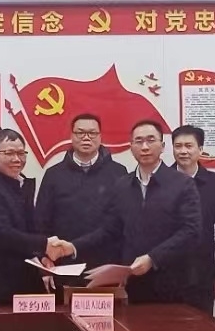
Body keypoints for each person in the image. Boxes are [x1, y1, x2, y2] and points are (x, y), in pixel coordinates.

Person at [70, 120, 204, 306]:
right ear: (131, 147)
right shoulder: (122, 185)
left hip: (175, 283)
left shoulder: (182, 184)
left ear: (162, 146)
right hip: (135, 284)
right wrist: (73, 246)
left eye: (151, 140)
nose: (145, 147)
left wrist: (152, 258)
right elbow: (110, 230)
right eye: (139, 141)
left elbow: (191, 231)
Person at [0, 128, 69, 306]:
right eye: (9, 153)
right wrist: (44, 244)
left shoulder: (22, 186)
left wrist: (42, 257)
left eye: (21, 153)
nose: (17, 159)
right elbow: (1, 235)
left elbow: (28, 229)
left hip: (24, 287)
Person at [34, 113, 127, 292]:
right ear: (71, 136)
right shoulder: (54, 174)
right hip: (63, 267)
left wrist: (123, 268)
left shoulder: (118, 173)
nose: (86, 137)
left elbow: (121, 224)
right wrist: (43, 260)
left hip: (105, 267)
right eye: (80, 132)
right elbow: (41, 221)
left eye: (92, 133)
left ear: (100, 136)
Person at [171, 125, 215, 314]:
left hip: (201, 274)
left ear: (200, 149)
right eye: (178, 146)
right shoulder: (159, 180)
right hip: (165, 273)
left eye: (189, 146)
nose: (183, 151)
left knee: (201, 327)